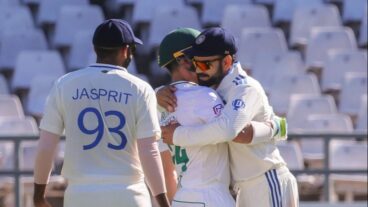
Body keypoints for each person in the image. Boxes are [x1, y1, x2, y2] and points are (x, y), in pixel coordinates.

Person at [33, 19, 170, 207]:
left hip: (80, 195)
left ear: (95, 48)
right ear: (125, 50)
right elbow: (149, 150)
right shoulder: (140, 88)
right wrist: (163, 202)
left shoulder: (64, 84)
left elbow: (46, 146)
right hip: (129, 194)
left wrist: (38, 196)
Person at [161, 27, 299, 207]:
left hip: (266, 180)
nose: (199, 70)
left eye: (205, 64)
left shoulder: (244, 87)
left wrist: (178, 135)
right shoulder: (211, 88)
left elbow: (228, 130)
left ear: (226, 62)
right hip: (243, 188)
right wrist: (158, 93)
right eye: (196, 64)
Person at [156, 27, 236, 207]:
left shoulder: (158, 105)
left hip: (181, 197)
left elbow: (167, 171)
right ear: (184, 61)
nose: (205, 60)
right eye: (199, 56)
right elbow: (234, 134)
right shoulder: (205, 96)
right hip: (212, 196)